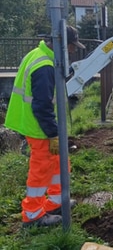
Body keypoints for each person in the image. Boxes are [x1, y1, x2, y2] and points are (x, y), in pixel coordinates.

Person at [4, 25, 84, 227]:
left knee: (59, 162)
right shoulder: (45, 66)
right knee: (41, 169)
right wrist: (53, 133)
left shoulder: (38, 55)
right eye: (71, 47)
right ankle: (33, 214)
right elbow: (41, 106)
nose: (73, 51)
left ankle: (56, 202)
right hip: (39, 129)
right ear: (61, 45)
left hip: (41, 126)